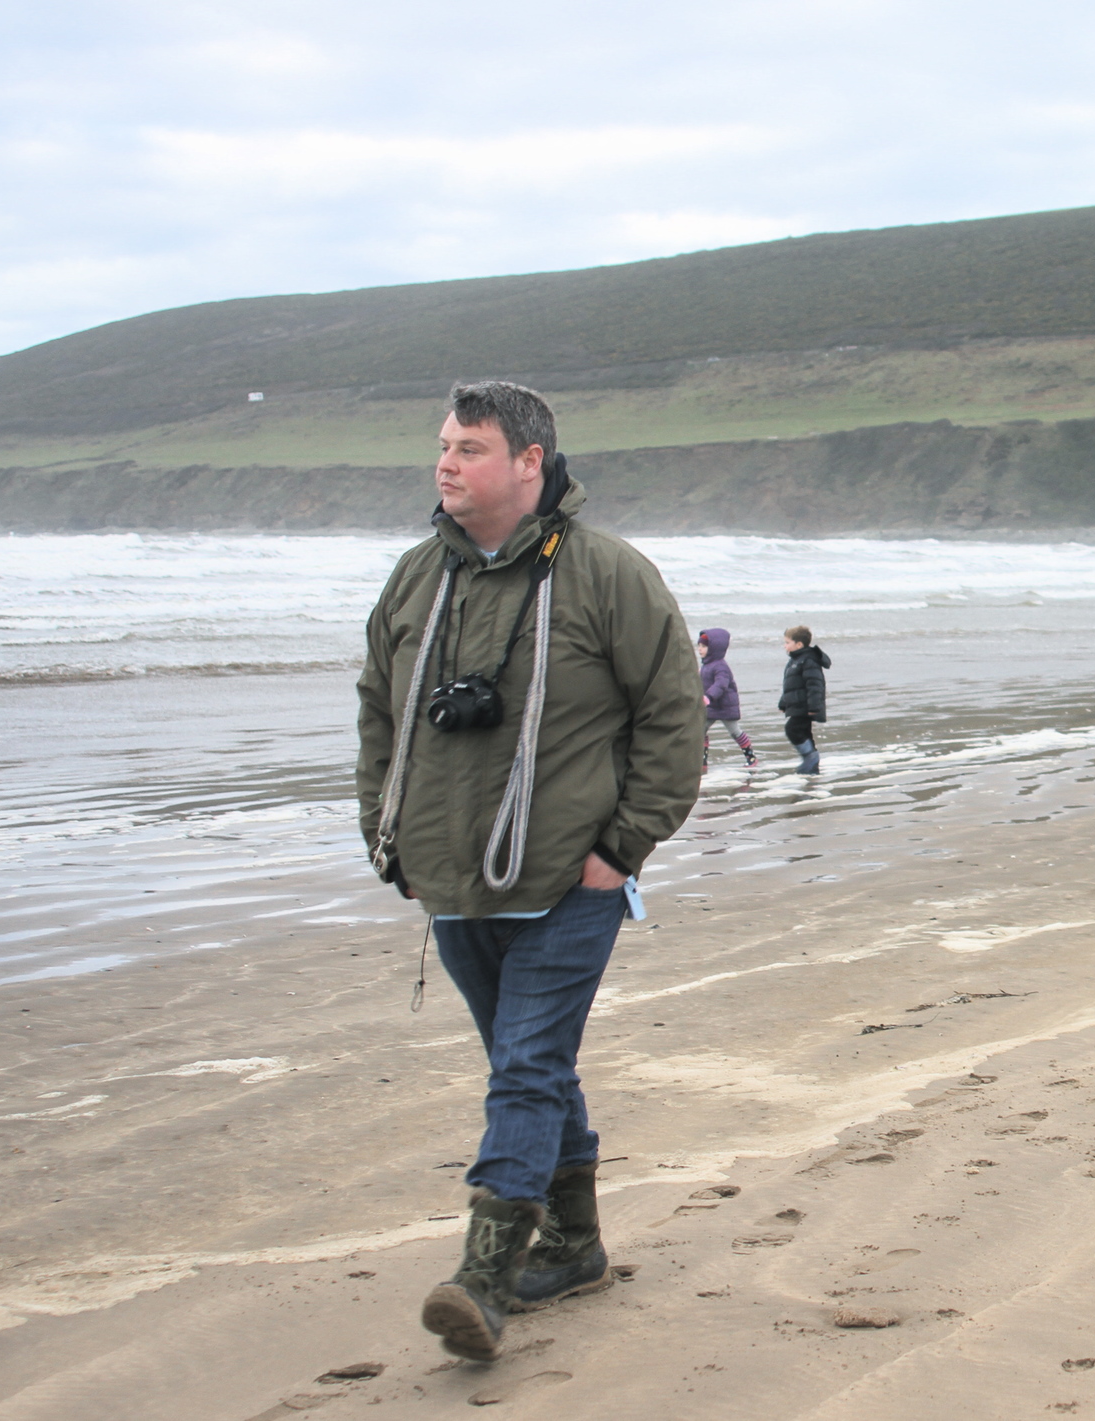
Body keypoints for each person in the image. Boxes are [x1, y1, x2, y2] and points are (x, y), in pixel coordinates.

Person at [357, 380, 702, 1360]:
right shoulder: (418, 577)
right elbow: (378, 710)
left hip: (566, 878)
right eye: (443, 445)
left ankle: (485, 1273)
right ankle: (579, 1240)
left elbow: (673, 717)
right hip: (450, 878)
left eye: (468, 446)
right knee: (532, 1064)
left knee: (526, 1066)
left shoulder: (608, 575)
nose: (446, 462)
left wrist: (622, 847)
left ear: (528, 463)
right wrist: (386, 839)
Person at [696, 628, 756, 768]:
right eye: (699, 646)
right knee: (700, 729)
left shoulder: (721, 667)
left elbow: (721, 684)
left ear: (714, 648)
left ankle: (751, 758)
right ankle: (702, 760)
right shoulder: (706, 665)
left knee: (734, 731)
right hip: (711, 705)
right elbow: (703, 679)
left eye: (704, 646)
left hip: (724, 705)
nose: (700, 649)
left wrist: (708, 696)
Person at [779, 625, 830, 773]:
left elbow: (815, 685)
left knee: (792, 729)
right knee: (804, 732)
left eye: (788, 642)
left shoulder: (808, 660)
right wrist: (783, 703)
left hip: (805, 706)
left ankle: (810, 757)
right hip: (796, 705)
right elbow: (790, 685)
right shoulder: (795, 660)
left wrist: (814, 707)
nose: (785, 646)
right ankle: (811, 764)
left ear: (799, 644)